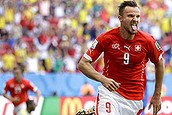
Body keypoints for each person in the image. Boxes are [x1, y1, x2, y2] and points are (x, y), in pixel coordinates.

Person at [77, 1, 164, 115]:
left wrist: (157, 95)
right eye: (130, 16)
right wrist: (103, 79)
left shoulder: (147, 41)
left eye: (137, 16)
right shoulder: (106, 38)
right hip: (110, 94)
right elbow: (83, 64)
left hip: (134, 100)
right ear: (120, 18)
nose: (135, 19)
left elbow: (159, 62)